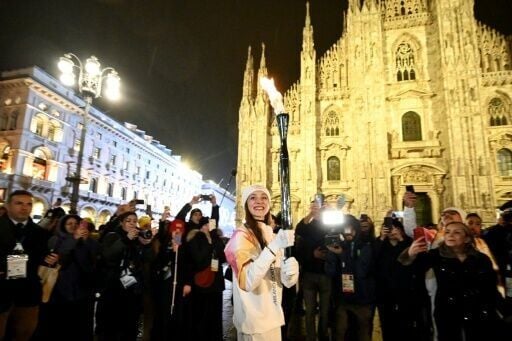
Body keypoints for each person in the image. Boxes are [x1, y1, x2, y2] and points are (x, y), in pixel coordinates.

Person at [399, 222, 501, 341]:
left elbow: (490, 287)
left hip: (476, 310)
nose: (450, 235)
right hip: (447, 311)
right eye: (447, 232)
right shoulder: (436, 255)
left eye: (456, 232)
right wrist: (410, 255)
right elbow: (412, 271)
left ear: (467, 238)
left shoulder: (481, 259)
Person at [224, 184, 299, 340]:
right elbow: (247, 282)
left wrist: (290, 273)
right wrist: (274, 247)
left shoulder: (270, 234)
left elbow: (279, 279)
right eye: (253, 197)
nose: (259, 201)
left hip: (273, 318)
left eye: (264, 197)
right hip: (253, 323)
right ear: (246, 204)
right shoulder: (240, 236)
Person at [0, 190, 56, 341]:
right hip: (1, 290)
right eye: (19, 203)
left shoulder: (40, 233)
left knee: (23, 334)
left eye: (28, 204)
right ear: (8, 205)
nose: (24, 207)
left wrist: (50, 259)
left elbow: (43, 258)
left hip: (27, 293)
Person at [34, 214, 99, 341]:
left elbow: (94, 256)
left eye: (76, 223)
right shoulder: (56, 239)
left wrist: (86, 241)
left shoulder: (87, 240)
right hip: (60, 287)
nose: (73, 226)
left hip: (81, 287)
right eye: (69, 224)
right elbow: (61, 253)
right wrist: (74, 238)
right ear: (63, 226)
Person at [95, 211, 154, 341]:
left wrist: (147, 245)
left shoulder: (138, 239)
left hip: (133, 289)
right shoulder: (112, 236)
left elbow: (148, 259)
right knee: (111, 326)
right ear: (121, 223)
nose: (132, 223)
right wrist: (126, 239)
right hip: (114, 288)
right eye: (129, 220)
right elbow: (108, 255)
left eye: (135, 221)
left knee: (131, 326)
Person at [375, 217, 430, 341]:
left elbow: (418, 263)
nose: (391, 231)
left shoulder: (410, 243)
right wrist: (381, 238)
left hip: (407, 292)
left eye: (395, 228)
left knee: (408, 326)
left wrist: (402, 240)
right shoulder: (380, 245)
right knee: (388, 327)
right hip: (386, 294)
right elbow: (373, 260)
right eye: (388, 228)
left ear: (401, 229)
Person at [324, 214, 376, 341]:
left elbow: (360, 271)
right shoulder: (340, 245)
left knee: (362, 334)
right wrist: (331, 252)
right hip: (343, 299)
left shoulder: (365, 246)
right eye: (345, 229)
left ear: (356, 229)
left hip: (362, 299)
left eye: (350, 229)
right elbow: (330, 272)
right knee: (341, 333)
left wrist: (342, 255)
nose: (348, 232)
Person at [294, 199, 335, 341]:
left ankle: (323, 335)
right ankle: (311, 338)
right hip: (309, 274)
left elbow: (341, 236)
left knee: (325, 310)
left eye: (319, 207)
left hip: (326, 274)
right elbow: (299, 230)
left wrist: (331, 211)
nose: (318, 209)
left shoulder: (330, 224)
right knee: (310, 310)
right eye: (314, 207)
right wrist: (311, 214)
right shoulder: (308, 227)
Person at [182, 216, 226, 340]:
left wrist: (214, 238)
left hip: (216, 284)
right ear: (203, 226)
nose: (212, 228)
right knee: (202, 316)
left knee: (216, 316)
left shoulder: (215, 238)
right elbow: (199, 260)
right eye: (209, 225)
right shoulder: (196, 238)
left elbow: (223, 257)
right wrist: (210, 243)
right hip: (203, 285)